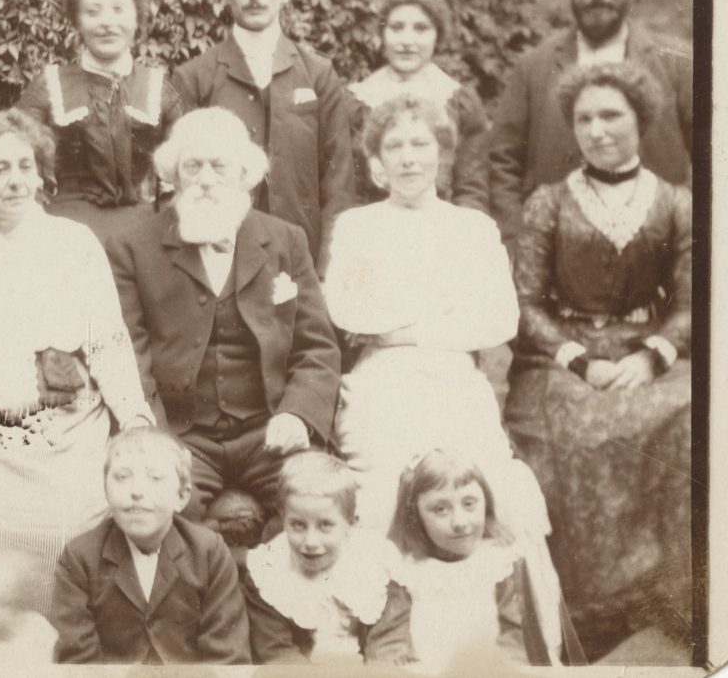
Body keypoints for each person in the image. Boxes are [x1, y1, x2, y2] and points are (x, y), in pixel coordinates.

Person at [323, 94, 558, 630]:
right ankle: (378, 636)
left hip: (456, 379)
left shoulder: (473, 229)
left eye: (420, 144)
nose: (408, 158)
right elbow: (347, 308)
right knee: (381, 490)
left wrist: (398, 322)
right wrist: (443, 312)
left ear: (441, 154)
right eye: (394, 146)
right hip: (382, 380)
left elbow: (499, 319)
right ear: (377, 161)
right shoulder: (357, 226)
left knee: (494, 486)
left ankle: (506, 635)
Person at [0, 109, 155, 619]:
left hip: (67, 429)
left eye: (25, 166)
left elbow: (108, 341)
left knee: (71, 525)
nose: (15, 181)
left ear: (42, 173)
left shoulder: (74, 243)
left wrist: (134, 416)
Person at [502, 62, 692, 661]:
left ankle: (674, 600)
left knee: (689, 418)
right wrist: (580, 360)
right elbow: (525, 304)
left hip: (649, 357)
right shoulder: (547, 203)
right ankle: (589, 618)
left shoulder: (677, 203)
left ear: (641, 120)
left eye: (611, 114)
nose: (597, 129)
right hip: (563, 361)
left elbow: (694, 303)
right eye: (583, 118)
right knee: (570, 431)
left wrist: (653, 354)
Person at [107, 107, 341, 528]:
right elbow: (129, 353)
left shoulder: (285, 240)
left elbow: (317, 348)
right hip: (183, 436)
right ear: (173, 176)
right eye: (192, 166)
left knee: (315, 502)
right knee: (161, 513)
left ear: (245, 173)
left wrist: (297, 414)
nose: (206, 179)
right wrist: (155, 437)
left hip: (268, 429)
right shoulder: (132, 247)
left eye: (220, 166)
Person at [489, 0, 692, 241]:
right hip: (555, 251)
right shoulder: (534, 65)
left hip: (658, 247)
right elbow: (503, 160)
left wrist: (687, 237)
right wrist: (519, 239)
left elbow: (714, 155)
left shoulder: (678, 63)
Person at [170, 0, 355, 271]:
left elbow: (338, 178)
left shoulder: (317, 74)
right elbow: (176, 181)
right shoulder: (195, 77)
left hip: (299, 258)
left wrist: (329, 268)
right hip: (219, 257)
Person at [17, 0, 183, 243]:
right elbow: (14, 158)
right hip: (64, 231)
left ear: (137, 18)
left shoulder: (159, 89)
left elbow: (185, 168)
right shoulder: (48, 87)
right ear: (77, 21)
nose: (107, 22)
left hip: (144, 235)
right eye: (93, 12)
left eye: (119, 9)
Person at [51, 427, 250, 664]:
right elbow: (78, 662)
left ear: (182, 496)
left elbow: (227, 658)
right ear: (105, 490)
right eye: (122, 477)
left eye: (155, 478)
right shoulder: (80, 557)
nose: (136, 491)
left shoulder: (209, 553)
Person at [365, 450, 568, 672]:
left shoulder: (500, 563)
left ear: (486, 502)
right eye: (440, 509)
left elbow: (516, 639)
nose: (460, 521)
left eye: (469, 503)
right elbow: (387, 646)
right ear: (416, 516)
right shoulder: (404, 570)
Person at [242, 451, 398, 665]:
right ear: (283, 518)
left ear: (350, 522)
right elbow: (275, 652)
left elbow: (390, 639)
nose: (310, 541)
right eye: (298, 525)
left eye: (325, 525)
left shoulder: (376, 563)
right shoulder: (269, 573)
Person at [347, 0, 488, 212]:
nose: (407, 40)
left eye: (421, 28)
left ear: (437, 35)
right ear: (383, 33)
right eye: (397, 27)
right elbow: (346, 188)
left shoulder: (460, 102)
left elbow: (472, 189)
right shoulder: (356, 102)